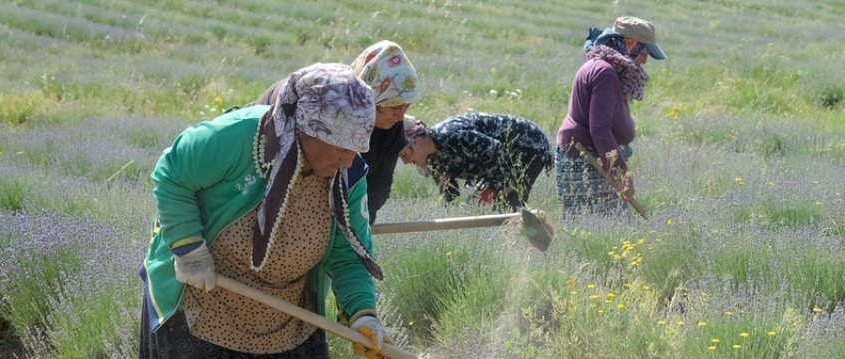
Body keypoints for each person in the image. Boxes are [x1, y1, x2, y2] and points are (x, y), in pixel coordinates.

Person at [138, 63, 391, 359]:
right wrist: (188, 246)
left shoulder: (345, 170)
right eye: (337, 148)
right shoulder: (239, 138)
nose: (345, 160)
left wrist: (363, 314)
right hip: (202, 296)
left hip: (284, 310)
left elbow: (350, 252)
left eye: (353, 150)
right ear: (304, 129)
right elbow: (170, 171)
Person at [256, 41, 420, 223]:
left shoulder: (392, 127)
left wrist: (359, 223)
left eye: (407, 106)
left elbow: (378, 185)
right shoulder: (327, 105)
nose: (401, 115)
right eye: (394, 107)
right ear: (372, 99)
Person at [555, 16, 665, 216]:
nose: (645, 60)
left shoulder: (604, 68)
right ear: (630, 43)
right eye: (645, 52)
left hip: (592, 155)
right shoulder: (605, 73)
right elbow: (599, 128)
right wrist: (621, 174)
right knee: (600, 223)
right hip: (585, 158)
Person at [399, 112, 553, 210]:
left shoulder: (452, 136)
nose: (405, 162)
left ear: (415, 142)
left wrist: (487, 191)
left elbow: (496, 150)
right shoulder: (433, 161)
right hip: (501, 157)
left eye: (404, 155)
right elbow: (450, 195)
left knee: (508, 205)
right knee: (481, 206)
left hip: (527, 144)